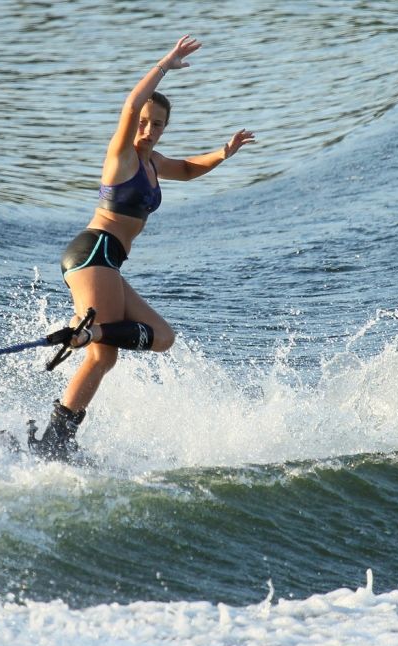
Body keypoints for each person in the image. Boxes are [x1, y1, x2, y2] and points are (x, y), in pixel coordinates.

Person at [29, 34, 256, 460]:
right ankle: (55, 441)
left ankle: (57, 432)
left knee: (159, 338)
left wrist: (224, 153)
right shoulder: (123, 157)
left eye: (159, 125)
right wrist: (165, 64)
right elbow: (132, 104)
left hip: (108, 261)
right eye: (146, 123)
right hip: (94, 252)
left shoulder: (153, 163)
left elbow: (188, 170)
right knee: (101, 356)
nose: (149, 130)